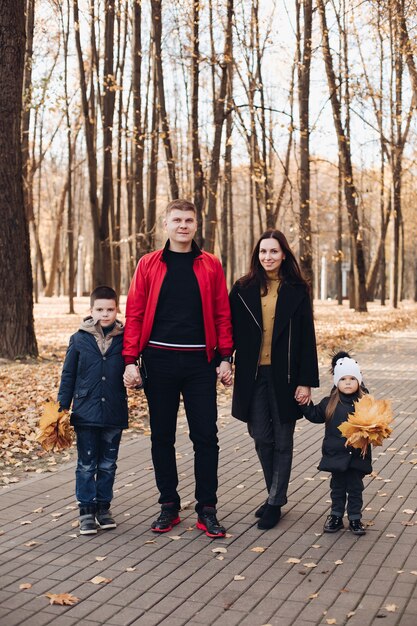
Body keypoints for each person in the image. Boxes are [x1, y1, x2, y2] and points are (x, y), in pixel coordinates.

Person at [123, 199, 233, 538]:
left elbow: (222, 313)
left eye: (188, 220)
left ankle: (207, 508)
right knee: (162, 437)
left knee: (206, 437)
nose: (183, 225)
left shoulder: (210, 264)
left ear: (196, 225)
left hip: (201, 363)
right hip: (159, 361)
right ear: (166, 224)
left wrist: (226, 356)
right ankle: (168, 505)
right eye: (177, 220)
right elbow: (135, 313)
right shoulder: (148, 264)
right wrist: (129, 360)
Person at [229, 230, 319, 530]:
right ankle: (274, 495)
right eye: (263, 252)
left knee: (283, 439)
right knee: (260, 436)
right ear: (257, 255)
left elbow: (307, 338)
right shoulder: (242, 289)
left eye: (274, 252)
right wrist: (223, 361)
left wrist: (305, 381)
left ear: (284, 255)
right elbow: (228, 330)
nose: (268, 257)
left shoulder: (297, 289)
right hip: (252, 375)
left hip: (286, 376)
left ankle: (275, 500)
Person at [58, 286, 128, 535]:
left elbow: (134, 368)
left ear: (117, 310)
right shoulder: (79, 338)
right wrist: (62, 406)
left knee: (108, 464)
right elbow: (69, 374)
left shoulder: (125, 338)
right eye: (100, 309)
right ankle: (86, 510)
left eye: (110, 309)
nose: (105, 314)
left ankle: (103, 508)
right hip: (86, 410)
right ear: (91, 310)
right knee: (87, 464)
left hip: (113, 410)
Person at [299, 352, 371, 535]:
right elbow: (315, 415)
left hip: (357, 455)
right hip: (336, 454)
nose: (348, 382)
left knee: (355, 488)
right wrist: (304, 405)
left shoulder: (365, 403)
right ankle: (336, 516)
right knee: (337, 487)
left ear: (359, 381)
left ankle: (355, 518)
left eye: (352, 378)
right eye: (343, 379)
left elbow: (376, 424)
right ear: (336, 382)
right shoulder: (329, 402)